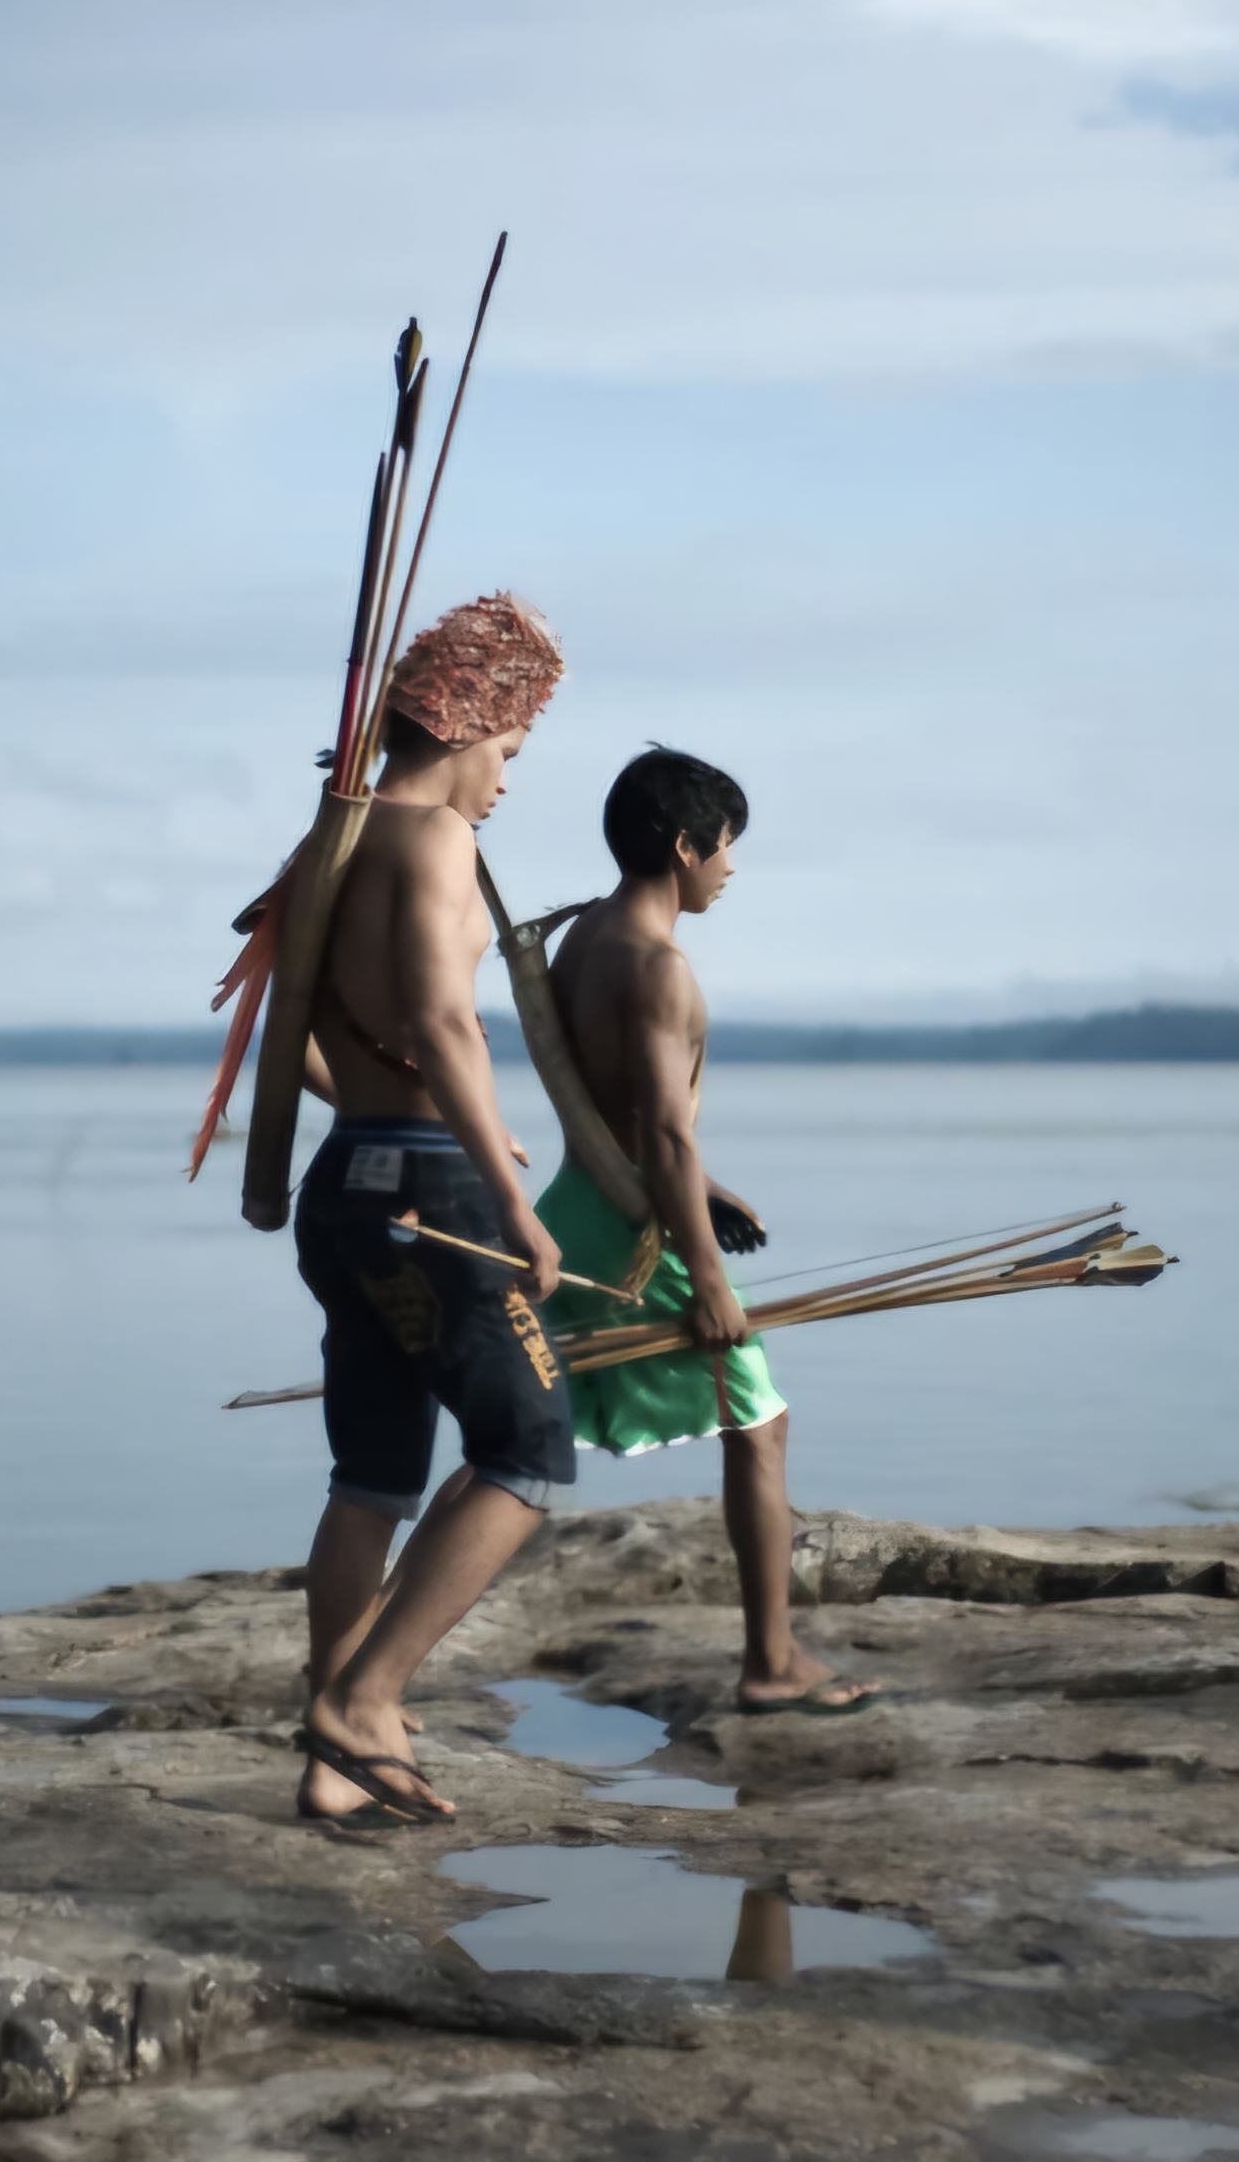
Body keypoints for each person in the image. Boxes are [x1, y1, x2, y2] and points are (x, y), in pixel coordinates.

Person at [289, 592, 573, 1825]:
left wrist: (392, 1101)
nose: (504, 782)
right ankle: (365, 1702)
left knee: (372, 1473)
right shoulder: (435, 840)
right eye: (505, 752)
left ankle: (331, 1757)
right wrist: (507, 1192)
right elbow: (445, 1021)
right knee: (527, 1449)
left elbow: (291, 1033)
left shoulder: (332, 838)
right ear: (461, 728)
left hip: (346, 1183)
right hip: (430, 1194)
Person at [536, 747, 879, 1715]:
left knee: (518, 1441)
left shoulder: (582, 937)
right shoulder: (657, 965)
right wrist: (711, 1279)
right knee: (759, 1426)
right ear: (685, 846)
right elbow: (663, 1134)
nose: (729, 867)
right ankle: (770, 1665)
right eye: (725, 846)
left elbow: (611, 1113)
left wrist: (707, 1190)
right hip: (636, 1235)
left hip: (582, 1203)